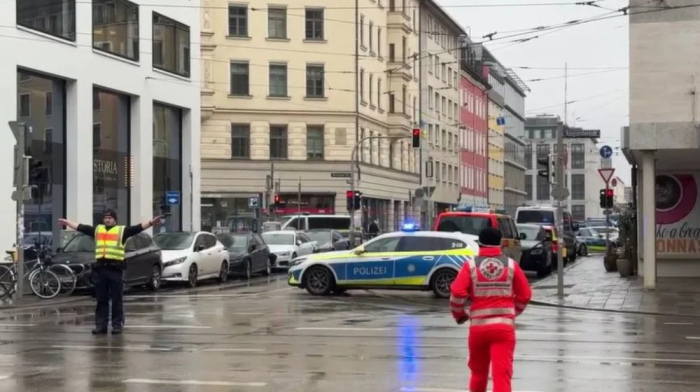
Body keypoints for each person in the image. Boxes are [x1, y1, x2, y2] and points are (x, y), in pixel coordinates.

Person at [449, 227, 532, 392]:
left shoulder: (470, 266)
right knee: (502, 375)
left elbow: (457, 293)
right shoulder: (511, 265)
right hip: (503, 329)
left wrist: (459, 314)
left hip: (478, 329)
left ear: (479, 244)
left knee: (478, 373)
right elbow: (525, 295)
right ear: (500, 244)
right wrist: (513, 312)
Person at [58, 210, 164, 335]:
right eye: (105, 217)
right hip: (101, 269)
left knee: (116, 300)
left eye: (110, 217)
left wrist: (151, 222)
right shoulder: (98, 230)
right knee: (101, 300)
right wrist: (68, 223)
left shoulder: (121, 231)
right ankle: (101, 326)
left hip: (115, 270)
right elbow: (82, 228)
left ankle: (117, 325)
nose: (107, 219)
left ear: (114, 219)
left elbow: (137, 228)